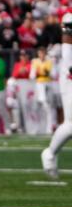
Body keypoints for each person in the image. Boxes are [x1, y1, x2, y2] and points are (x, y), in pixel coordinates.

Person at [42, 13, 72, 178]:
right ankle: (50, 153)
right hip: (70, 79)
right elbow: (69, 60)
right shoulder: (69, 22)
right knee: (71, 124)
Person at [30, 47, 55, 135]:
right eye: (40, 53)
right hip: (38, 85)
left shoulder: (49, 62)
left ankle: (49, 128)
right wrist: (41, 73)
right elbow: (32, 75)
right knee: (36, 108)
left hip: (46, 85)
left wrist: (44, 73)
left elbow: (53, 74)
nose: (41, 55)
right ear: (38, 54)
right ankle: (37, 128)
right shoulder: (35, 61)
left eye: (43, 53)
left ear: (45, 53)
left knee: (47, 107)